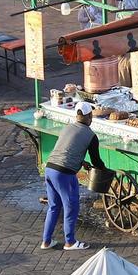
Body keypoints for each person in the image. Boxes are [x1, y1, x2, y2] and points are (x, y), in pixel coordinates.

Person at [42, 101, 105, 250]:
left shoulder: (67, 128)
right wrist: (105, 170)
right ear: (90, 116)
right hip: (64, 174)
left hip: (50, 169)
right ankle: (70, 242)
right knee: (71, 206)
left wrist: (81, 161)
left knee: (54, 206)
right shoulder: (91, 135)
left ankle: (46, 241)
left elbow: (66, 150)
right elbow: (96, 160)